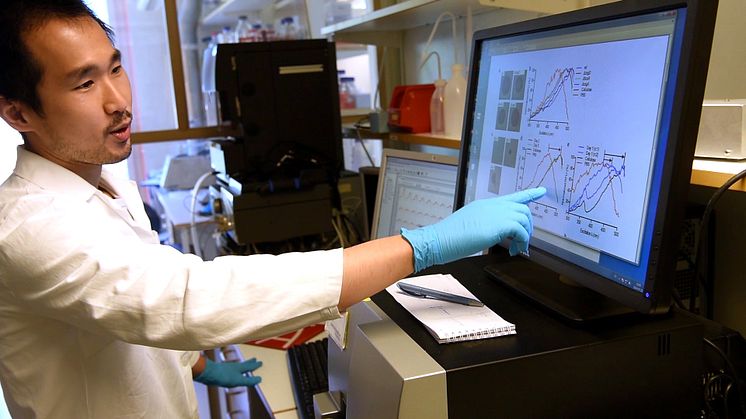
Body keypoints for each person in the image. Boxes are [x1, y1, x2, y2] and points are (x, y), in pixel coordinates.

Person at [0, 1, 545, 417]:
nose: (118, 100)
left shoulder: (105, 179)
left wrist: (192, 362)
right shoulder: (25, 229)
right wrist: (418, 246)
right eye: (84, 83)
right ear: (18, 112)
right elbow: (180, 297)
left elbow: (124, 293)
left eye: (115, 68)